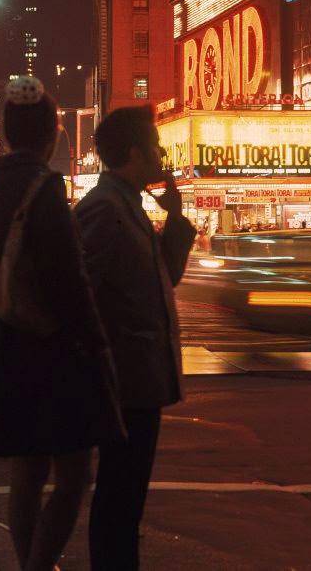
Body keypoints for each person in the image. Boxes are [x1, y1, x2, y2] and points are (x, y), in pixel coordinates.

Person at [0, 76, 123, 571]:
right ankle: (39, 567)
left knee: (28, 472)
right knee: (75, 474)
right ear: (53, 134)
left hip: (7, 347)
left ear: (8, 133)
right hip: (53, 351)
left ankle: (29, 563)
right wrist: (97, 343)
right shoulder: (45, 188)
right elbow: (70, 279)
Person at [74, 105, 196, 571]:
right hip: (122, 378)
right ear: (132, 153)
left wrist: (176, 218)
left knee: (127, 495)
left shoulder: (129, 205)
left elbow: (164, 278)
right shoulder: (104, 209)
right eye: (155, 145)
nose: (162, 153)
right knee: (119, 495)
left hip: (139, 377)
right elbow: (77, 291)